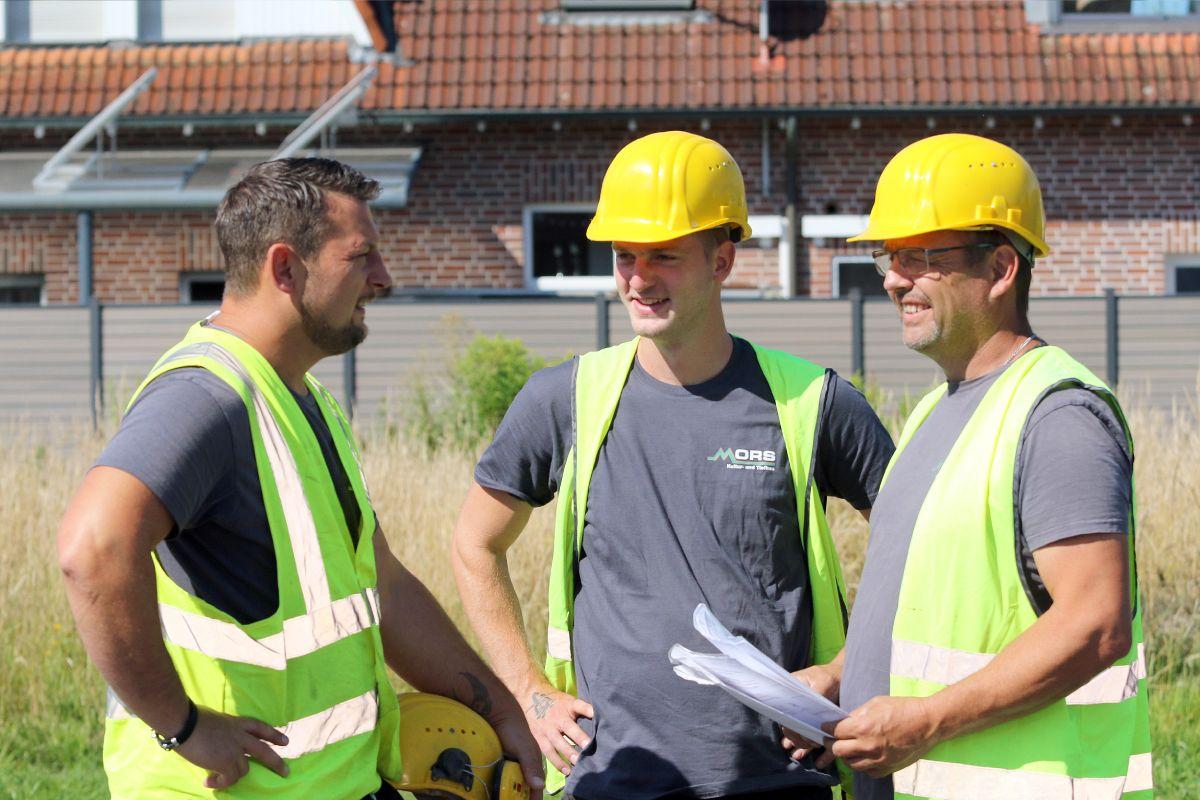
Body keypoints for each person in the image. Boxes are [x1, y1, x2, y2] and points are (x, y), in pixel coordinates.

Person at [57, 158, 542, 800]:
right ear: (285, 268)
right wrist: (183, 726)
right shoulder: (204, 398)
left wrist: (502, 708)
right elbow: (92, 550)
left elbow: (382, 587)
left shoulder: (301, 396)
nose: (383, 278)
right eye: (361, 255)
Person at [451, 130, 895, 800]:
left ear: (722, 261)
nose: (638, 277)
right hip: (611, 779)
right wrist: (530, 692)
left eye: (664, 255)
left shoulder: (813, 401)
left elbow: (921, 555)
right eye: (625, 256)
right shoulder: (563, 400)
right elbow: (473, 544)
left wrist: (841, 672)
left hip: (778, 780)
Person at [784, 133, 1153, 800]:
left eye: (923, 257)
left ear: (1002, 267)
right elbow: (937, 616)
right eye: (889, 256)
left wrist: (925, 722)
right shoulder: (934, 412)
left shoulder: (1057, 417)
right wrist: (841, 676)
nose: (895, 278)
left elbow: (1096, 623)